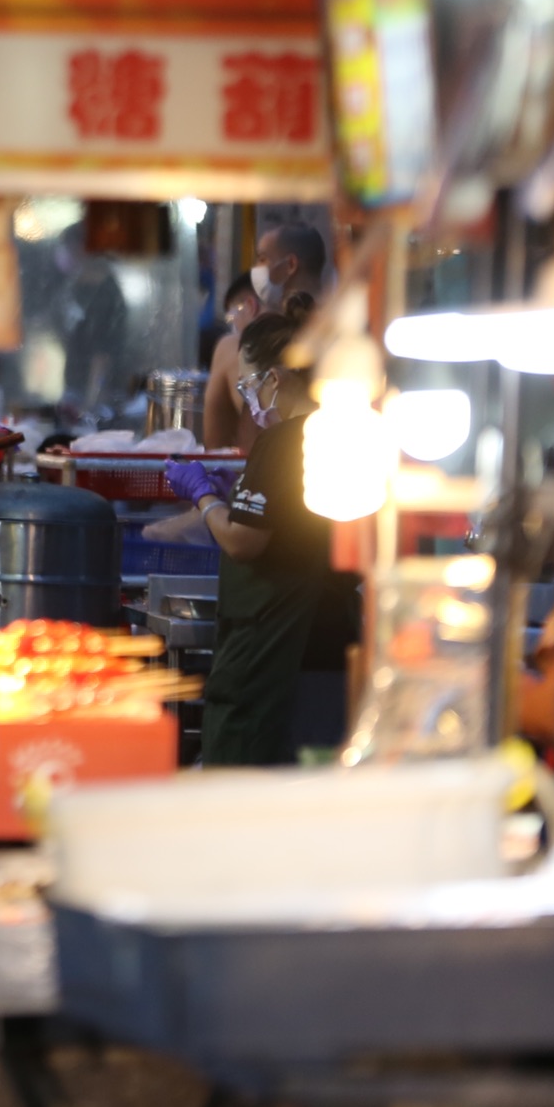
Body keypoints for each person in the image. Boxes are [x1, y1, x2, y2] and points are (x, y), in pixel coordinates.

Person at [167, 293, 354, 765]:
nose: (247, 399)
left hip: (274, 659)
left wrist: (202, 495)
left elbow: (245, 541)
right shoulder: (342, 431)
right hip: (329, 647)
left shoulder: (283, 440)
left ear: (275, 377)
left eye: (248, 384)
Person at [201, 275, 265, 451]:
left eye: (231, 319)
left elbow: (215, 444)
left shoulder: (232, 346)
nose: (232, 326)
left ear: (251, 307)